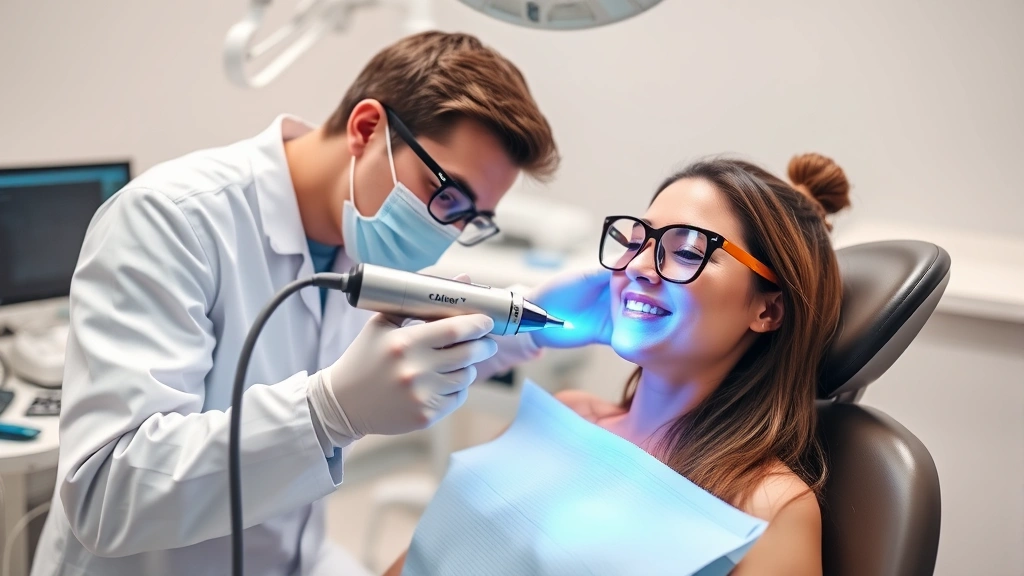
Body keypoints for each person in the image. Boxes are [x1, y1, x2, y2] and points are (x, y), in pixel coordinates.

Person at [29, 31, 604, 576]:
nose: (446, 231)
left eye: (469, 217)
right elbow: (105, 496)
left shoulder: (359, 240)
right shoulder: (172, 219)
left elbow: (439, 344)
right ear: (367, 127)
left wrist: (538, 323)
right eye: (445, 194)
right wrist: (325, 414)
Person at [383, 152, 853, 576]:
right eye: (635, 241)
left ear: (767, 310)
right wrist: (525, 323)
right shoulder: (567, 413)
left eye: (687, 251)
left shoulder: (768, 506)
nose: (638, 267)